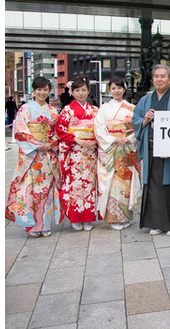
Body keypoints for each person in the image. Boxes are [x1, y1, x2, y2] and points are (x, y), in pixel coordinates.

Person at [6, 77, 61, 237]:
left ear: (49, 90)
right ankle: (33, 226)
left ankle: (44, 224)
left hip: (47, 156)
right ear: (33, 90)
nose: (42, 92)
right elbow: (20, 130)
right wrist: (37, 144)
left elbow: (57, 132)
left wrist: (50, 143)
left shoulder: (52, 111)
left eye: (45, 89)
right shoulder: (25, 109)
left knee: (46, 191)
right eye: (39, 89)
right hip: (32, 156)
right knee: (31, 190)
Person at [133, 64, 170, 235]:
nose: (159, 79)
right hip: (151, 147)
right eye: (156, 76)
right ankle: (155, 223)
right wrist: (145, 120)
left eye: (163, 76)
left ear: (169, 79)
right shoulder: (145, 100)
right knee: (153, 185)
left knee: (169, 184)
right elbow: (136, 119)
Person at [94, 77, 142, 231]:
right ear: (109, 90)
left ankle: (126, 216)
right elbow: (99, 128)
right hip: (112, 149)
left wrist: (128, 139)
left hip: (126, 150)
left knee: (126, 184)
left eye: (119, 88)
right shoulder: (103, 109)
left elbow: (137, 128)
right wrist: (113, 138)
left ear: (124, 89)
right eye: (113, 88)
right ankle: (113, 218)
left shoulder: (132, 107)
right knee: (111, 183)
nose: (116, 91)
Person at [56, 75, 99, 231]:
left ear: (88, 91)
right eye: (77, 90)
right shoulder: (67, 110)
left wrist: (96, 140)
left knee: (89, 184)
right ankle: (75, 217)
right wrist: (76, 139)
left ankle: (88, 218)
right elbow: (60, 129)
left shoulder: (94, 110)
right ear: (71, 92)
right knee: (75, 184)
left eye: (83, 90)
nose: (81, 93)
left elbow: (100, 130)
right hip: (75, 151)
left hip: (90, 153)